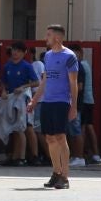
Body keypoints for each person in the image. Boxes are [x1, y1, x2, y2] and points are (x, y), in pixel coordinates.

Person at [38, 25, 79, 189]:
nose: (45, 37)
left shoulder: (69, 56)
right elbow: (45, 80)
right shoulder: (47, 56)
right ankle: (56, 172)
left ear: (57, 37)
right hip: (47, 102)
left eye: (48, 35)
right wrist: (35, 100)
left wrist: (73, 106)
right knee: (49, 137)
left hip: (62, 102)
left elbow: (73, 83)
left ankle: (65, 177)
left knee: (61, 137)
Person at [0, 43, 37, 165]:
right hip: (11, 98)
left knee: (26, 127)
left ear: (23, 53)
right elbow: (3, 82)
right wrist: (3, 91)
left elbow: (36, 82)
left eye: (18, 51)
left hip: (23, 98)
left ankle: (28, 156)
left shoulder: (27, 66)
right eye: (14, 50)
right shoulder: (7, 66)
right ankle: (16, 156)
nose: (15, 53)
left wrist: (23, 87)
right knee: (15, 127)